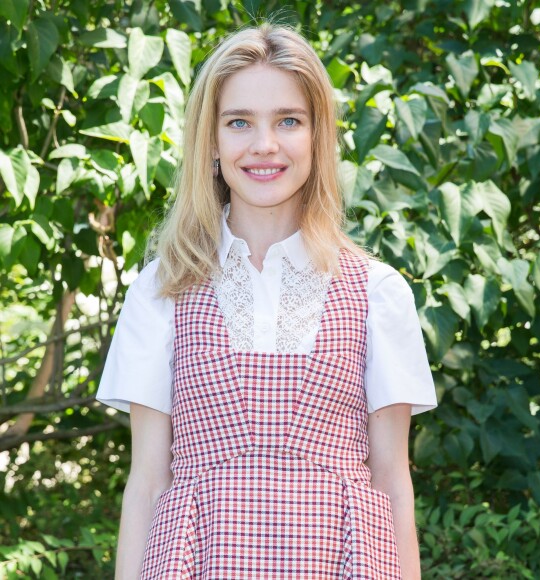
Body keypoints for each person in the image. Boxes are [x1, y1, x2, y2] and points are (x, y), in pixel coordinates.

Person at [96, 23, 437, 580]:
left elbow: (392, 481)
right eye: (239, 122)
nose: (264, 145)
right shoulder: (161, 291)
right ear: (211, 140)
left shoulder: (378, 293)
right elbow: (148, 483)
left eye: (288, 121)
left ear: (317, 136)